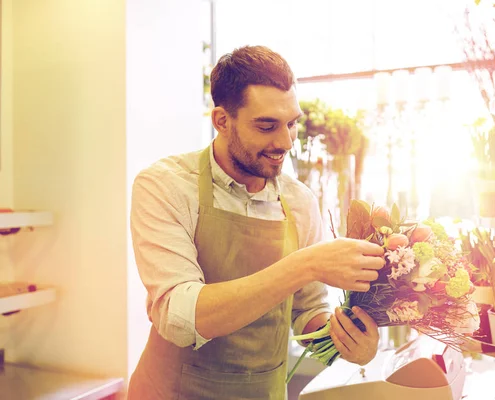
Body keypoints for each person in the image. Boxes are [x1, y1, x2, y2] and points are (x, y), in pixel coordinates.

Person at [127, 45, 385, 400]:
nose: (285, 142)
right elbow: (181, 317)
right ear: (221, 120)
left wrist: (346, 342)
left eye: (292, 123)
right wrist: (305, 264)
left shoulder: (299, 201)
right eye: (267, 126)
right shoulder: (166, 186)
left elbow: (309, 310)